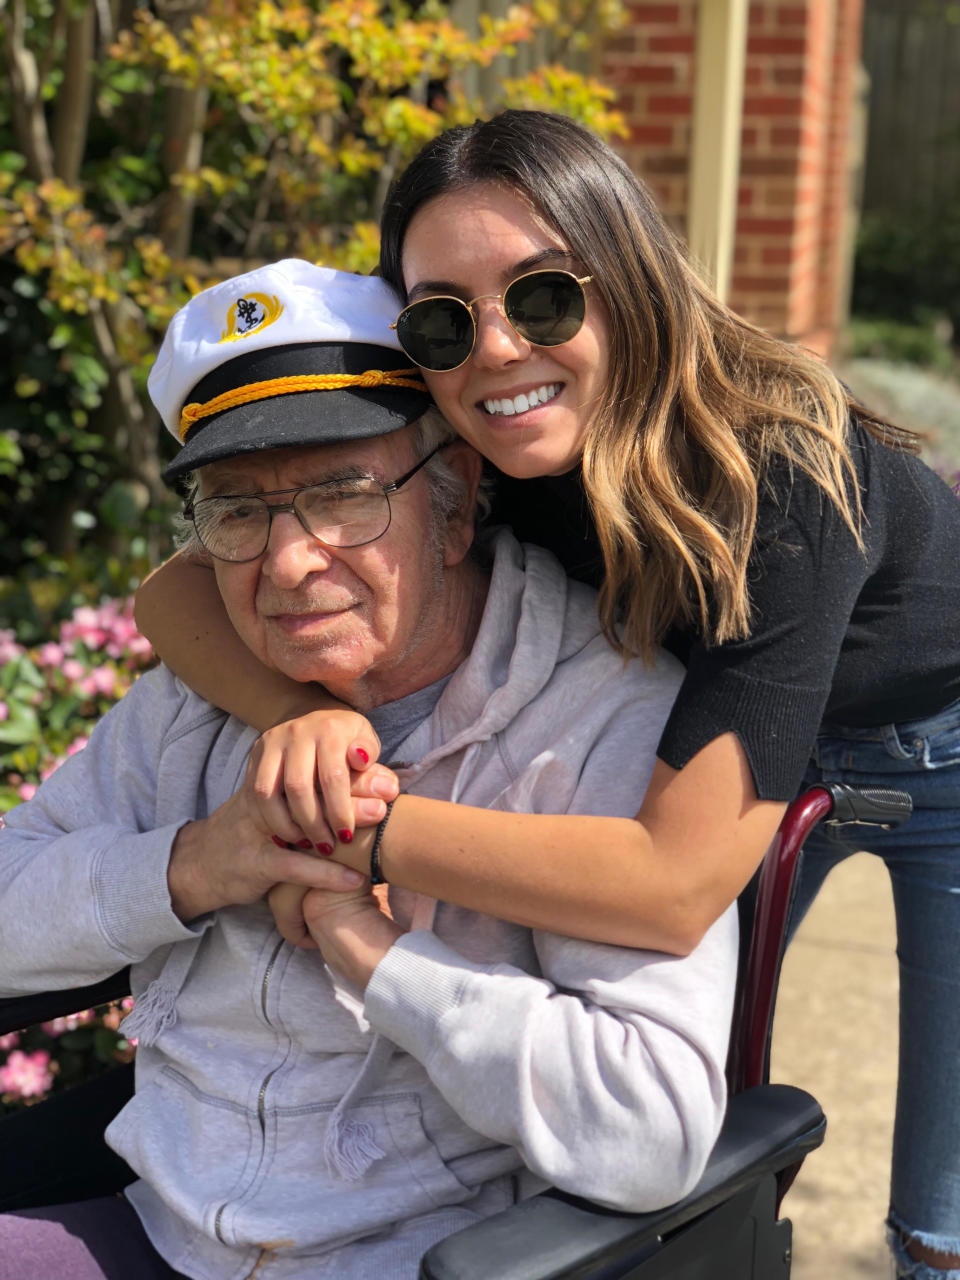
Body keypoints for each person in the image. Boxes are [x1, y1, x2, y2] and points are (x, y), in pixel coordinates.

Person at [135, 112, 960, 1278]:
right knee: (674, 1075)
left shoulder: (780, 478)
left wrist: (361, 826)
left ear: (626, 278)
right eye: (442, 319)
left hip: (937, 746)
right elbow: (173, 597)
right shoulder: (497, 455)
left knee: (944, 1204)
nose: (497, 349)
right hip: (732, 731)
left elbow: (671, 885)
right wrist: (305, 713)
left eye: (544, 297)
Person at [0, 260, 738, 1280]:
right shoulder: (199, 696)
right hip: (160, 1233)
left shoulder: (594, 719)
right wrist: (196, 864)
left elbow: (649, 1122)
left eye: (343, 494)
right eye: (237, 511)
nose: (289, 561)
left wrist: (375, 954)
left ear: (455, 497)